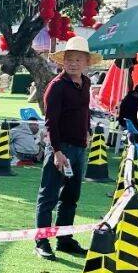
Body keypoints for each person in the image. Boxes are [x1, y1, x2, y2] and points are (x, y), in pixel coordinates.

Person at [34, 37, 99, 260]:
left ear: (86, 62)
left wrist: (87, 131)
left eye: (78, 59)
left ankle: (65, 239)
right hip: (60, 148)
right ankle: (41, 241)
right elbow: (50, 121)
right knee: (48, 196)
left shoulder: (86, 83)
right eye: (69, 59)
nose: (73, 63)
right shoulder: (56, 86)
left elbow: (84, 110)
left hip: (79, 147)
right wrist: (56, 151)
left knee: (71, 197)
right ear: (63, 61)